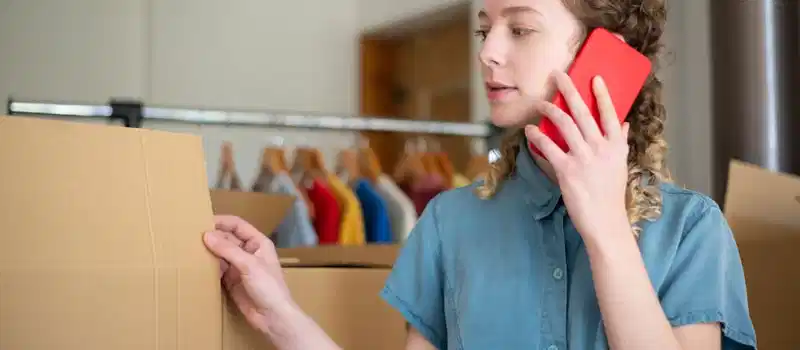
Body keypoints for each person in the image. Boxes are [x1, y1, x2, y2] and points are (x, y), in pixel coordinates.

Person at [203, 0, 757, 348]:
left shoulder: (692, 229)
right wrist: (279, 315)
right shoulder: (449, 221)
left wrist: (607, 232)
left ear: (604, 53)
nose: (489, 52)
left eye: (520, 29)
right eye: (484, 30)